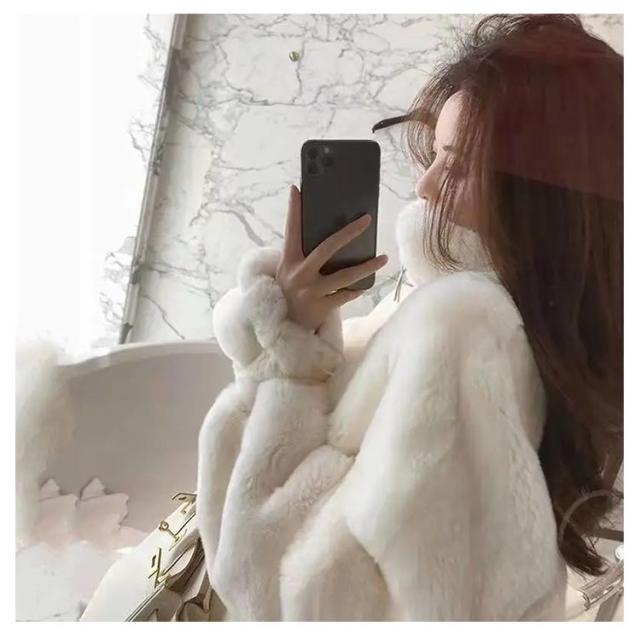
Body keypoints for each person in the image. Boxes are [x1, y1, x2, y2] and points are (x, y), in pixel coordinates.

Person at [197, 14, 622, 621]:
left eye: (457, 166)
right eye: (435, 154)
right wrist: (296, 324)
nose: (424, 184)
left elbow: (282, 590)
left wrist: (286, 363)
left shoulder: (463, 327)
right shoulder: (468, 310)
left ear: (538, 202)